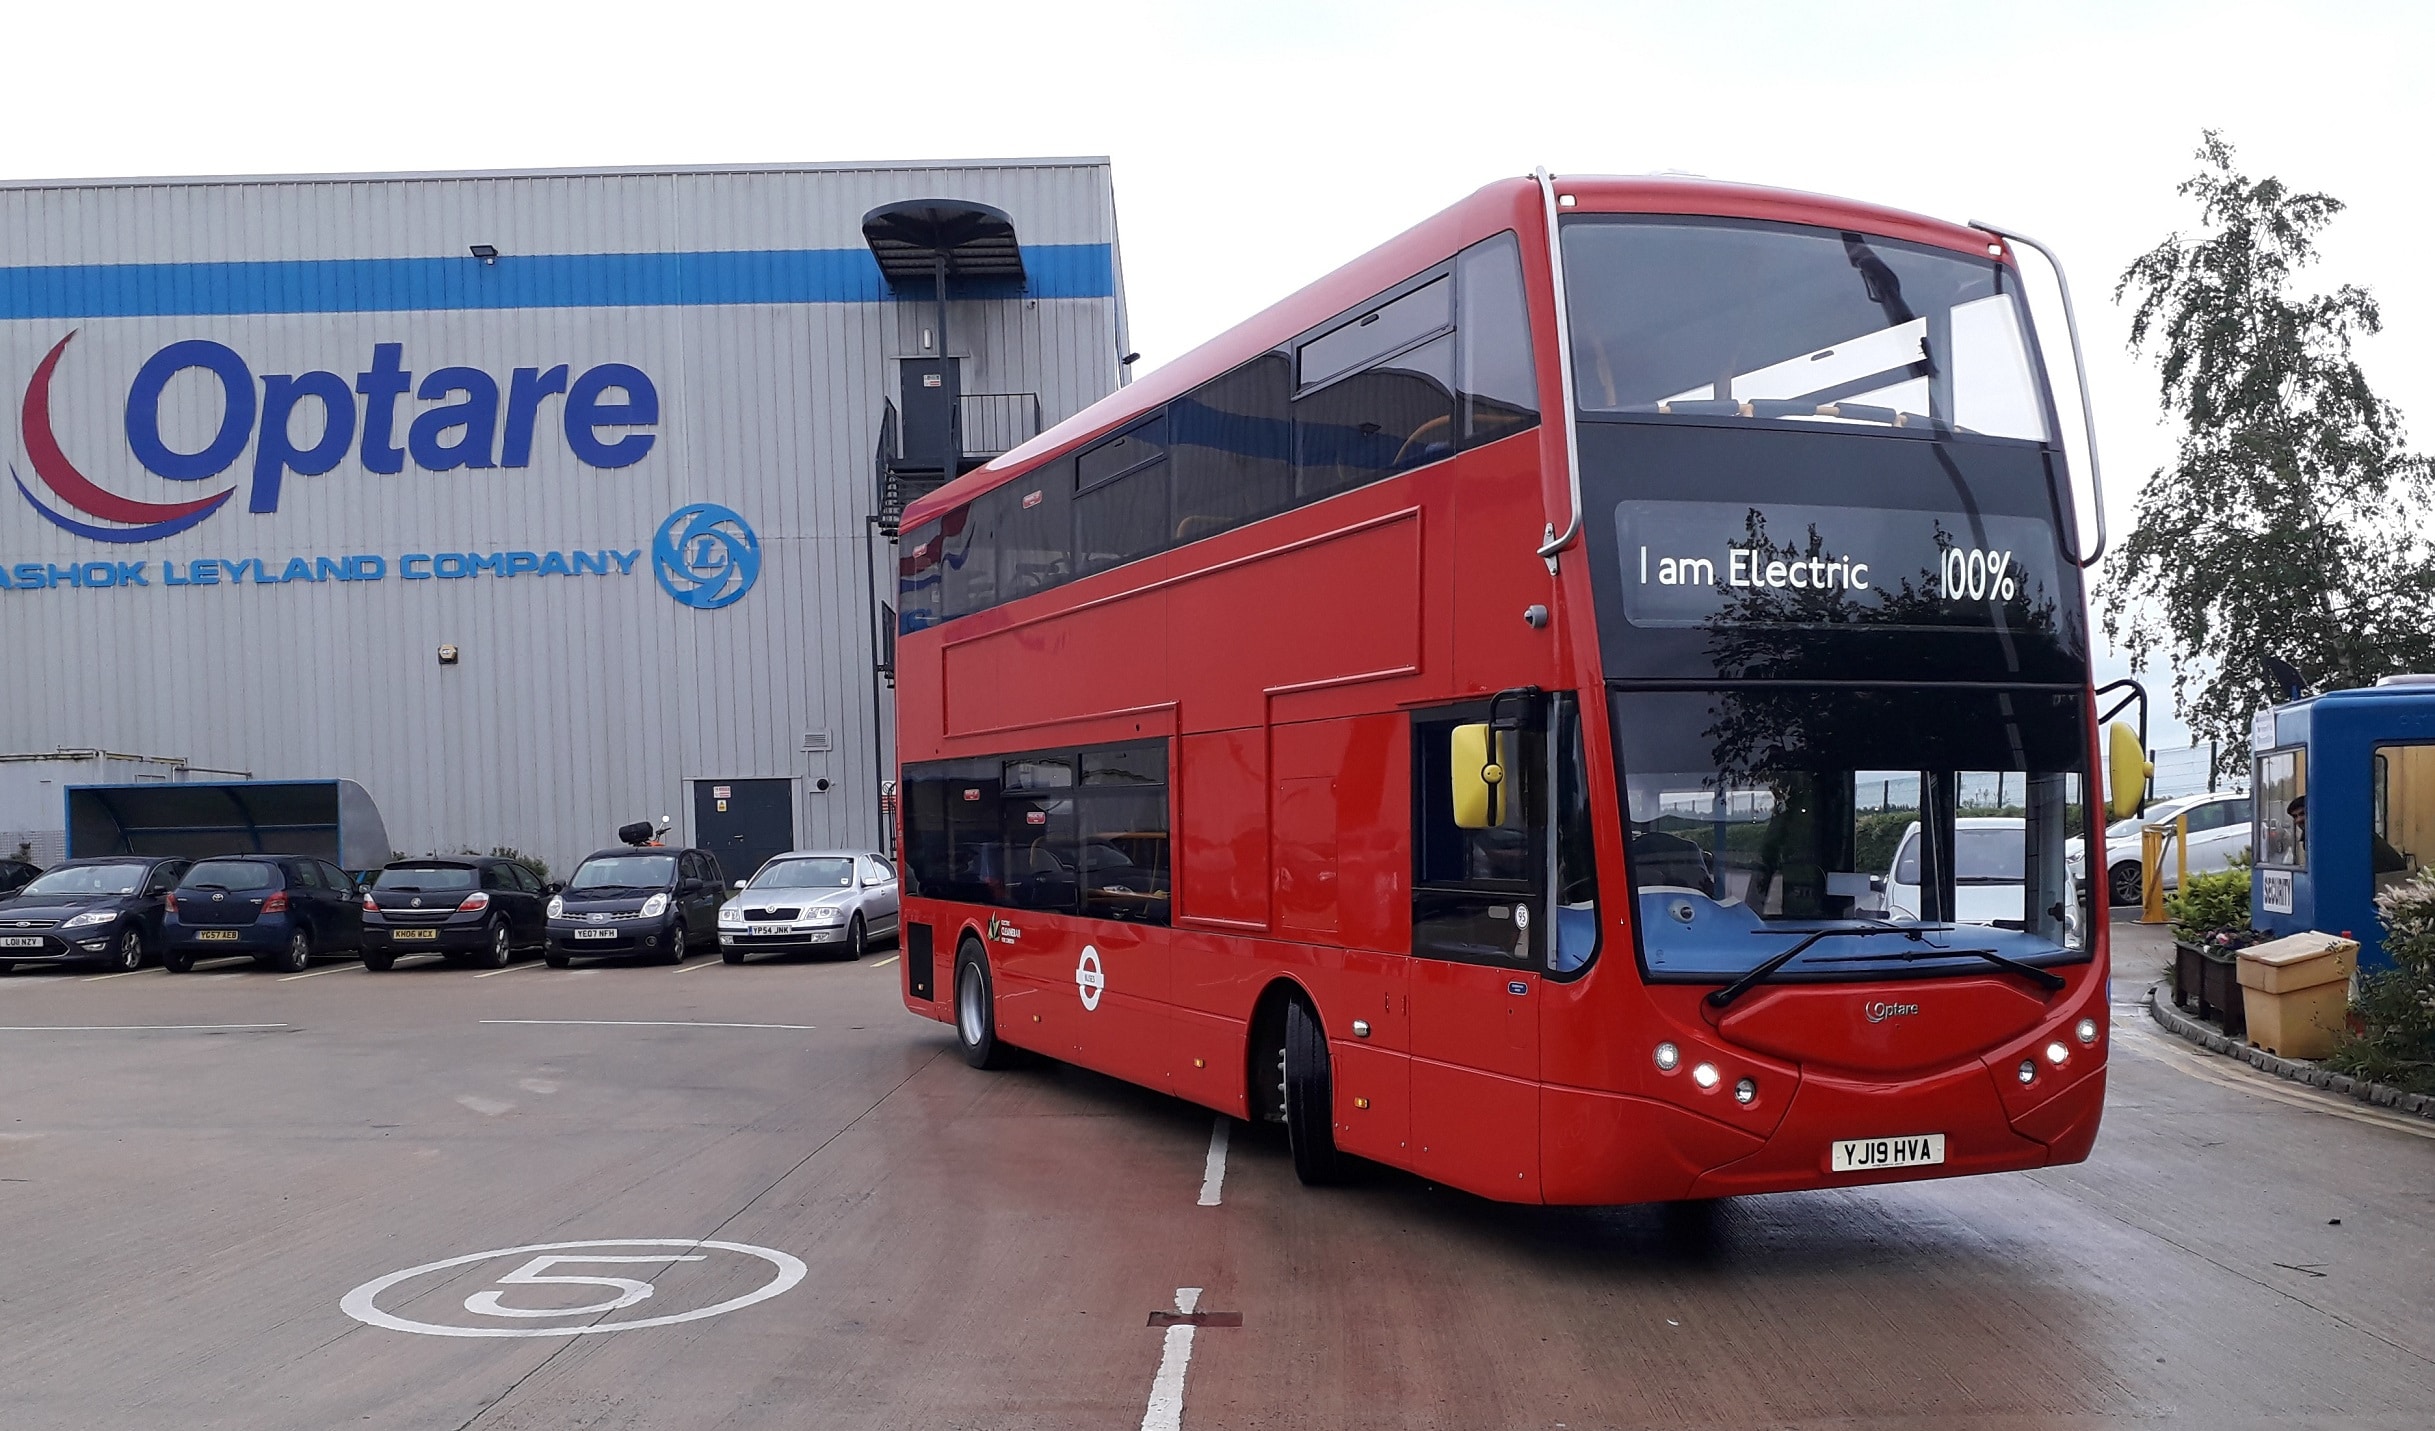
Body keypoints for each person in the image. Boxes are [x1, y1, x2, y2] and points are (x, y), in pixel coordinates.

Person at [2290, 793, 2409, 874]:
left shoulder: (2336, 833)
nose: (2298, 820)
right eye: (2295, 816)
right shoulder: (2316, 835)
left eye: (2303, 814)